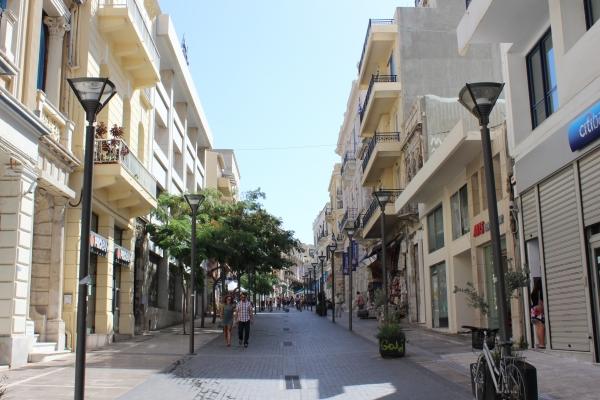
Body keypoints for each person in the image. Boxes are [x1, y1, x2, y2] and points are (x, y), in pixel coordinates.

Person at [530, 278, 546, 349]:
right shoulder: (540, 291)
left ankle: (540, 343)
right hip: (538, 310)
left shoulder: (533, 292)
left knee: (537, 327)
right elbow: (541, 302)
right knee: (541, 326)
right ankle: (542, 344)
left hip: (533, 310)